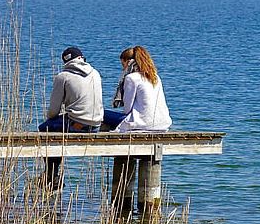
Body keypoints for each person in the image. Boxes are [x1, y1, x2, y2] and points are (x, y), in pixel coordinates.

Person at [38, 46, 104, 190]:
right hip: (97, 125)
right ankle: (52, 175)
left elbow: (53, 112)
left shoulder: (63, 77)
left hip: (77, 125)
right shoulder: (96, 73)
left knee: (44, 128)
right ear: (82, 59)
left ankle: (51, 174)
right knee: (58, 127)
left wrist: (52, 117)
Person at [102, 46, 172, 132]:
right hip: (162, 123)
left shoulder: (131, 78)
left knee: (101, 112)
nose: (123, 69)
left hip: (143, 124)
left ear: (128, 62)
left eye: (123, 64)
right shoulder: (155, 77)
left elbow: (127, 108)